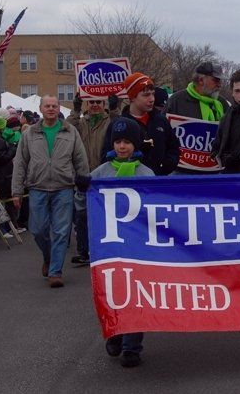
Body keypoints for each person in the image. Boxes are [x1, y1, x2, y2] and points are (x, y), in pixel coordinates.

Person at [80, 117, 154, 368]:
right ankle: (115, 332)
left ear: (135, 144)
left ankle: (132, 346)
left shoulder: (146, 173)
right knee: (113, 292)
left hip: (137, 245)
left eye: (127, 142)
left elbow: (156, 208)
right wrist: (82, 188)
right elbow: (84, 204)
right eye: (118, 142)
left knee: (136, 295)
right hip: (109, 246)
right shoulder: (101, 172)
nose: (122, 147)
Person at [11, 95, 89, 288]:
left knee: (62, 232)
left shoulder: (70, 131)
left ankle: (55, 271)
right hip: (37, 188)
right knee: (38, 230)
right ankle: (48, 257)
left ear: (58, 108)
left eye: (54, 105)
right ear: (41, 108)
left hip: (63, 188)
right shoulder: (30, 133)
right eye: (48, 106)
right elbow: (20, 162)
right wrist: (17, 191)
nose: (51, 109)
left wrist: (83, 181)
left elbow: (80, 158)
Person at [68, 94, 120, 264]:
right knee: (81, 215)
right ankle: (83, 251)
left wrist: (114, 108)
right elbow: (68, 127)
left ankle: (105, 249)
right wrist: (75, 109)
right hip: (84, 174)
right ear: (87, 104)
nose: (95, 105)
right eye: (91, 102)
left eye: (98, 102)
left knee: (105, 215)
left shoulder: (109, 120)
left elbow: (118, 125)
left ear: (103, 103)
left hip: (104, 174)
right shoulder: (82, 122)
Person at [103, 73, 180, 176]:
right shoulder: (118, 125)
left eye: (153, 94)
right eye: (146, 95)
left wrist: (165, 166)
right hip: (130, 185)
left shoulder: (161, 121)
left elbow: (174, 149)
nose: (152, 99)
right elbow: (106, 157)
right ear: (132, 97)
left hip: (158, 182)